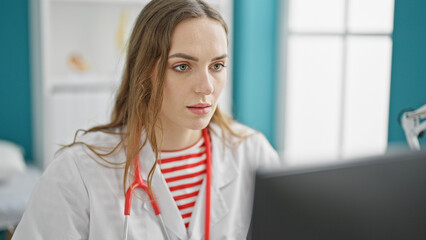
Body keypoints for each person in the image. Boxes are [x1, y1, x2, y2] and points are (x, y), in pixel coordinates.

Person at [12, 0, 279, 239]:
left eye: (217, 66)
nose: (206, 86)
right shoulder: (78, 171)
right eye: (182, 67)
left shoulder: (253, 154)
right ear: (144, 72)